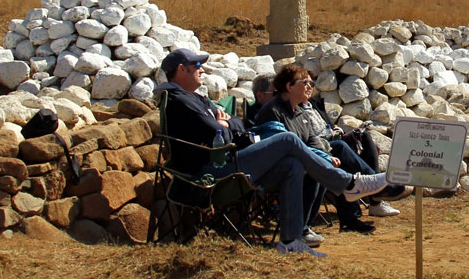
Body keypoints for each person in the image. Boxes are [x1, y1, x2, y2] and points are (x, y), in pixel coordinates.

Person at [156, 48, 390, 257]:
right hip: (212, 171)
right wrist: (225, 126)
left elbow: (239, 126)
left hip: (230, 160)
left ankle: (290, 240)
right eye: (197, 66)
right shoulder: (179, 100)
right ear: (181, 69)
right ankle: (348, 185)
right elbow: (221, 132)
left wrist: (227, 125)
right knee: (287, 139)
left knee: (293, 165)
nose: (203, 70)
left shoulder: (198, 99)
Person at [256, 64, 408, 235]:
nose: (310, 86)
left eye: (311, 83)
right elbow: (288, 146)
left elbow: (312, 140)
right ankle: (368, 190)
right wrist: (323, 156)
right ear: (289, 86)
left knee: (347, 146)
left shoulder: (299, 111)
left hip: (308, 156)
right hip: (281, 167)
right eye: (305, 82)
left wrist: (325, 155)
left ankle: (360, 200)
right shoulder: (273, 111)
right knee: (328, 158)